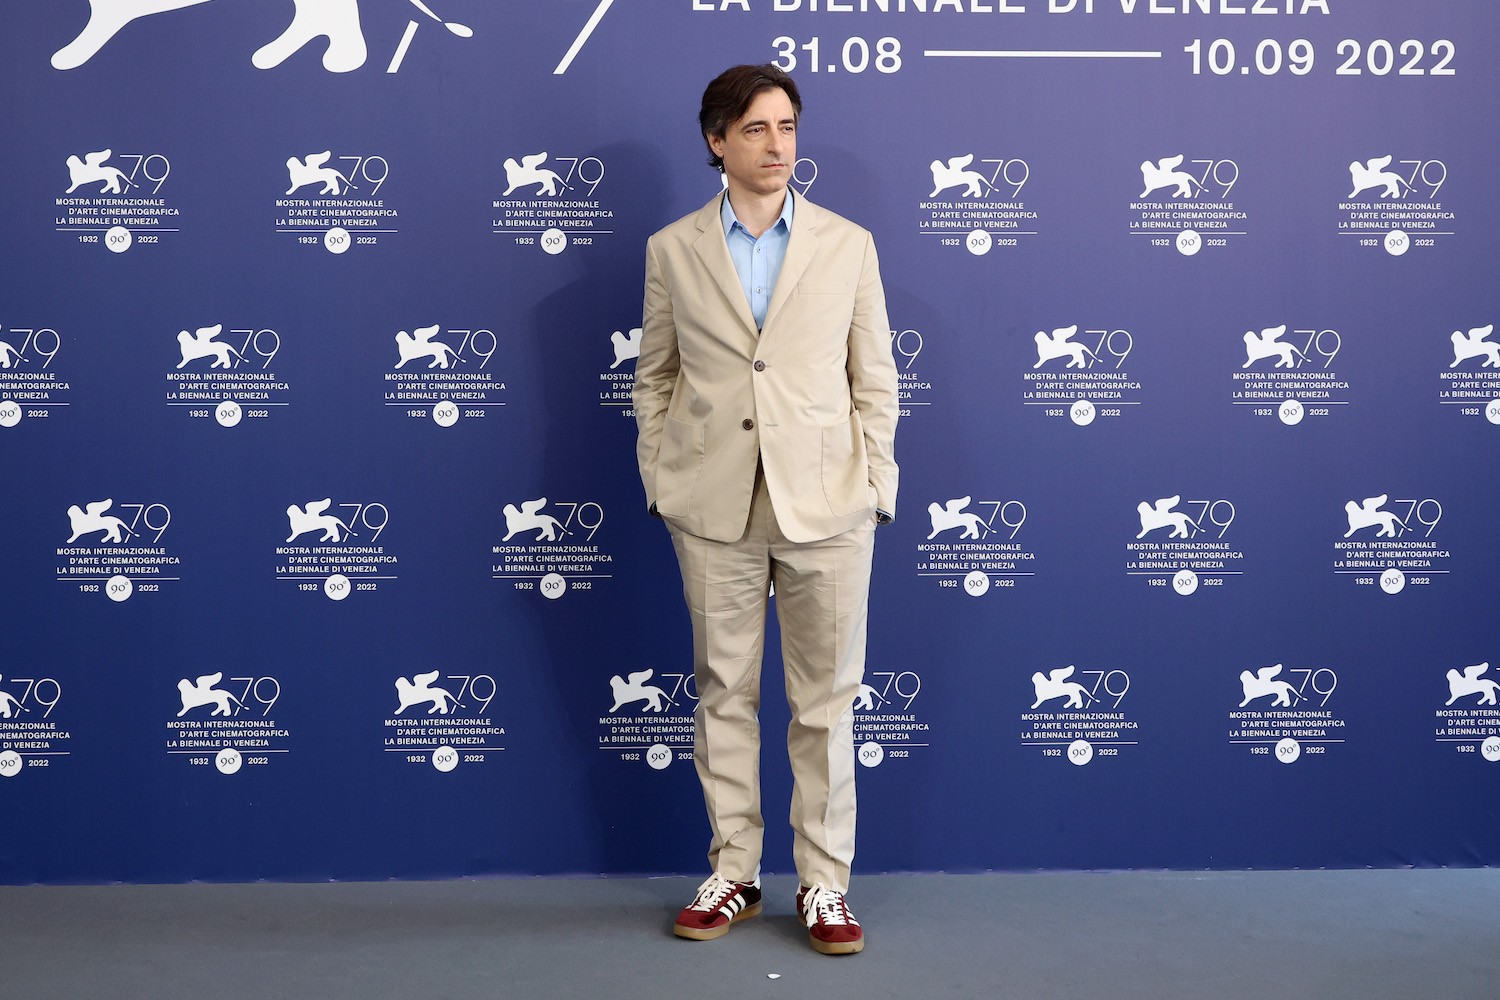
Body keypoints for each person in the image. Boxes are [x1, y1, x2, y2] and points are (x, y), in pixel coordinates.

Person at [633, 63, 898, 956]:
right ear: (717, 141)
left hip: (829, 504)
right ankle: (734, 872)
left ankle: (825, 886)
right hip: (712, 505)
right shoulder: (672, 249)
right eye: (755, 128)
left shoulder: (848, 244)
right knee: (723, 695)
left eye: (786, 126)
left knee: (825, 703)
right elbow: (656, 377)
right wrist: (662, 480)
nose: (777, 144)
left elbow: (876, 380)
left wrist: (876, 489)